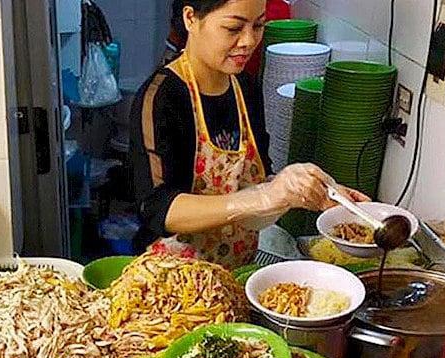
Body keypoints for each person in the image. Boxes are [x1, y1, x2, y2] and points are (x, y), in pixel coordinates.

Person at [132, 0, 367, 268]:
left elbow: (256, 179)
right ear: (190, 19)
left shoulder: (244, 87)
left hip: (238, 268)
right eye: (234, 28)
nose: (249, 41)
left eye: (258, 26)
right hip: (171, 276)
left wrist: (302, 189)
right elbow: (158, 209)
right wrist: (264, 197)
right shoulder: (162, 96)